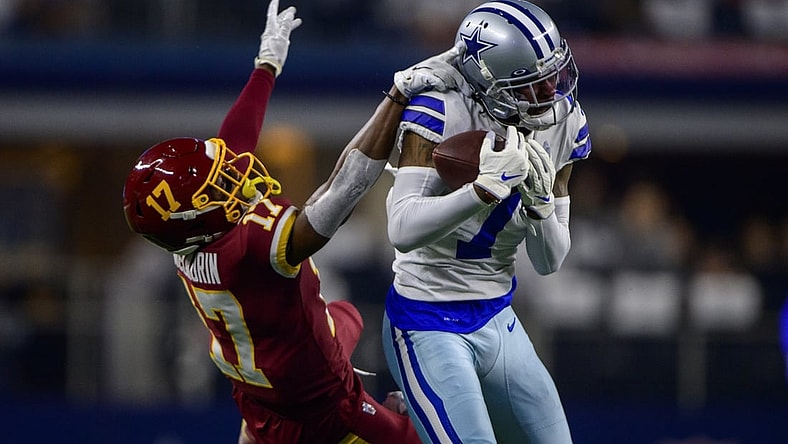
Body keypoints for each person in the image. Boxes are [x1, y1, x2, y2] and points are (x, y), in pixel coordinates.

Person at [121, 1, 457, 442]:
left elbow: (234, 140)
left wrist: (266, 64)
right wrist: (395, 101)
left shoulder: (194, 240)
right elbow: (342, 192)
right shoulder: (247, 250)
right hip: (320, 410)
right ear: (191, 221)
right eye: (216, 188)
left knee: (345, 314)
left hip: (258, 392)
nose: (236, 181)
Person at [382, 1, 592, 443]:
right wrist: (482, 190)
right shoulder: (441, 109)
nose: (551, 92)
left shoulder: (565, 121)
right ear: (488, 81)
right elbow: (401, 230)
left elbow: (550, 261)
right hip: (427, 317)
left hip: (497, 315)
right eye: (531, 84)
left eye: (553, 75)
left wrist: (538, 206)